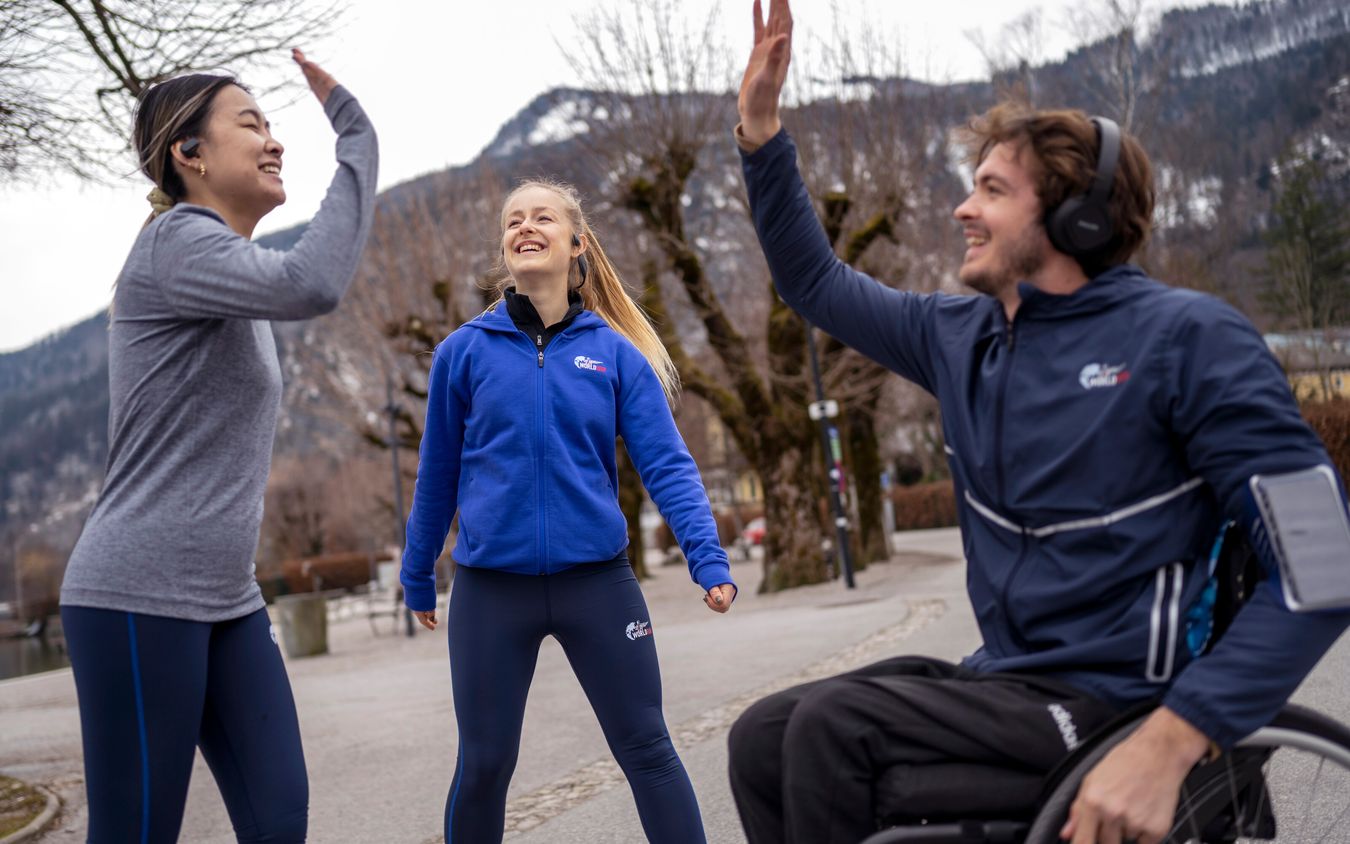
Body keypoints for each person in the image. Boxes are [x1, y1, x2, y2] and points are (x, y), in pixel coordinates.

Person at [726, 2, 1350, 843]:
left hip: (1126, 700)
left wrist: (1174, 741)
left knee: (838, 730)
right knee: (763, 736)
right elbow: (814, 285)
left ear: (1074, 220)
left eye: (991, 189)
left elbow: (1326, 568)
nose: (962, 210)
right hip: (1013, 684)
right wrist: (763, 136)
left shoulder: (1189, 340)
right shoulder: (958, 337)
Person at [58, 50, 377, 843]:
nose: (273, 142)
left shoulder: (224, 270)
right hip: (137, 590)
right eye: (251, 124)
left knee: (278, 821)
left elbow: (295, 283)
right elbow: (315, 282)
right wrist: (357, 139)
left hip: (227, 598)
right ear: (188, 154)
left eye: (272, 125)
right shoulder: (177, 242)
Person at [398, 178, 737, 844]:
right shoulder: (462, 354)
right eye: (512, 220)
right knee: (485, 764)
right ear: (505, 247)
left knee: (646, 747)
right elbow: (437, 473)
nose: (524, 227)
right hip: (492, 591)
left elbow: (667, 465)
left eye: (542, 218)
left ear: (576, 242)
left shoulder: (615, 355)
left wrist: (707, 556)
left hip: (598, 585)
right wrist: (417, 573)